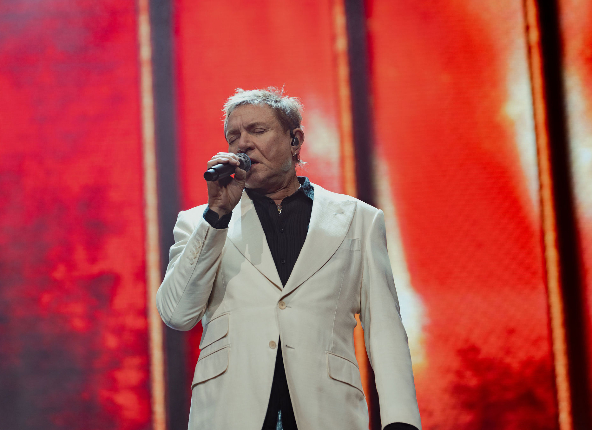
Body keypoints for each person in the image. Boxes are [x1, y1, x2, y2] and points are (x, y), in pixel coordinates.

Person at [156, 88, 421, 430]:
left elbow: (384, 329)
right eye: (233, 136)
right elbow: (176, 314)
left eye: (257, 130)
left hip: (327, 413)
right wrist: (217, 214)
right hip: (231, 411)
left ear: (295, 140)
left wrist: (400, 421)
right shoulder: (200, 222)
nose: (243, 144)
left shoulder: (359, 219)